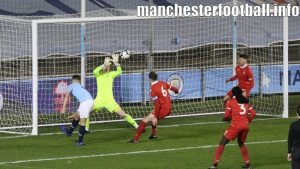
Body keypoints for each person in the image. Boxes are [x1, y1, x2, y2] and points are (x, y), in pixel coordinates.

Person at [208, 87, 256, 169]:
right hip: (245, 126)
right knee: (241, 143)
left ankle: (215, 164)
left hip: (235, 126)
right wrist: (248, 121)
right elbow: (253, 113)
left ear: (233, 94)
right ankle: (247, 164)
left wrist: (227, 118)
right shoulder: (246, 102)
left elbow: (226, 115)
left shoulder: (231, 102)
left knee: (222, 142)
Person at [128, 72, 178, 143]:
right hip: (169, 108)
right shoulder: (162, 83)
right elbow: (174, 89)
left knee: (145, 120)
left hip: (162, 109)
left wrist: (155, 117)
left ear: (149, 79)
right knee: (152, 115)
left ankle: (135, 139)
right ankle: (154, 134)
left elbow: (157, 104)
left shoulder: (153, 89)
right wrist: (177, 91)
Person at [93, 53, 138, 129]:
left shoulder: (111, 74)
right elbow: (94, 71)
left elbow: (119, 71)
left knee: (123, 114)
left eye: (108, 65)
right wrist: (103, 64)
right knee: (85, 112)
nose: (107, 66)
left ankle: (136, 125)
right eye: (106, 65)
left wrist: (116, 63)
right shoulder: (98, 75)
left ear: (109, 68)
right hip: (99, 100)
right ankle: (85, 129)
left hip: (110, 101)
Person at [60, 75, 94, 146]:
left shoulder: (70, 85)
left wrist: (63, 108)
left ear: (72, 80)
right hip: (89, 101)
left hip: (85, 102)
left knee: (82, 122)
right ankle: (69, 132)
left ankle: (80, 142)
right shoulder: (80, 86)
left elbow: (66, 97)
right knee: (76, 117)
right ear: (79, 81)